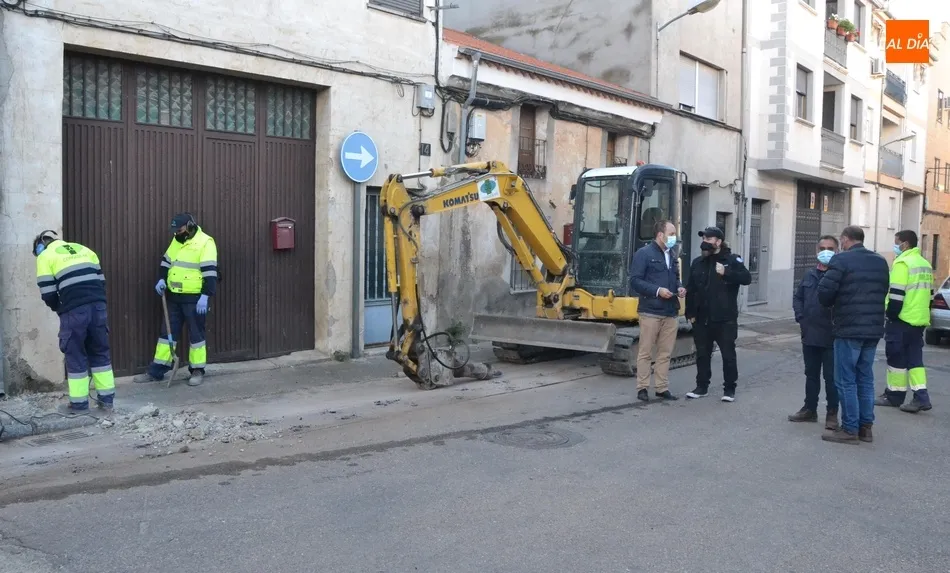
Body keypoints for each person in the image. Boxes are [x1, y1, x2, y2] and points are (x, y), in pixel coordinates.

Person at [817, 225, 889, 445]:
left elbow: (825, 293)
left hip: (849, 328)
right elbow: (883, 290)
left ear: (845, 240)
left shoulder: (841, 260)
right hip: (873, 328)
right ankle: (866, 428)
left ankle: (849, 429)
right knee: (865, 378)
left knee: (846, 380)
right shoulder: (880, 261)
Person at [33, 230, 115, 411]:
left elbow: (48, 294)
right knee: (100, 351)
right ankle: (106, 401)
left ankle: (79, 404)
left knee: (75, 353)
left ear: (40, 246)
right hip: (98, 306)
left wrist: (60, 308)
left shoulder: (45, 256)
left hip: (74, 310)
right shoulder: (84, 249)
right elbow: (101, 281)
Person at [136, 213, 218, 387]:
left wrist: (206, 295)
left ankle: (197, 370)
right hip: (173, 297)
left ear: (189, 226)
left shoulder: (205, 242)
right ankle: (157, 370)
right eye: (174, 231)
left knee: (196, 335)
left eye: (179, 230)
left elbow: (210, 272)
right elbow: (166, 262)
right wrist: (161, 279)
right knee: (167, 335)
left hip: (194, 298)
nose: (176, 233)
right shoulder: (177, 240)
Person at [684, 226, 751, 402]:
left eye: (709, 239)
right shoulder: (697, 262)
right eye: (703, 238)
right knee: (702, 354)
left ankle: (729, 389)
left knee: (728, 355)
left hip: (724, 319)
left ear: (718, 242)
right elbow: (691, 288)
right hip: (701, 319)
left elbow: (746, 278)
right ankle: (701, 387)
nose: (704, 242)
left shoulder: (732, 260)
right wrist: (689, 312)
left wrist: (726, 272)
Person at [876, 230, 934, 414]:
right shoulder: (924, 264)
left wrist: (891, 315)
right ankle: (921, 397)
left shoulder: (902, 263)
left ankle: (894, 395)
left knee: (895, 357)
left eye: (897, 243)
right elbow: (930, 295)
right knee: (915, 359)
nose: (895, 246)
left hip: (901, 319)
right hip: (919, 320)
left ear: (905, 244)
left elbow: (896, 294)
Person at [629, 220, 686, 402]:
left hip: (670, 312)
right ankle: (642, 388)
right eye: (671, 233)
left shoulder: (672, 254)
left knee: (665, 353)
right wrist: (657, 291)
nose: (674, 238)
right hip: (650, 312)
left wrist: (680, 288)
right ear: (660, 235)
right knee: (645, 352)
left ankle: (662, 388)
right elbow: (635, 281)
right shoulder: (644, 254)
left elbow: (675, 278)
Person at [789, 236, 839, 429]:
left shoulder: (839, 275)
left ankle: (832, 414)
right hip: (809, 334)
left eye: (830, 248)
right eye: (822, 248)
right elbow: (798, 298)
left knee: (831, 378)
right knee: (811, 375)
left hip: (831, 336)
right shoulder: (809, 274)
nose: (826, 251)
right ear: (816, 251)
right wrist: (801, 317)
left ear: (837, 251)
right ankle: (809, 409)